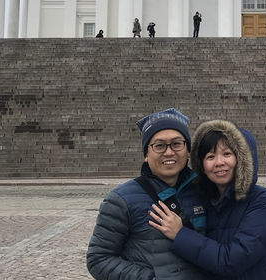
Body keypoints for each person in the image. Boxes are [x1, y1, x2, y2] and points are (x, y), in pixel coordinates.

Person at [150, 119, 266, 279]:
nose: (219, 163)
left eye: (227, 154)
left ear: (242, 159)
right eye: (210, 156)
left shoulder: (262, 200)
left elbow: (231, 262)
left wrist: (180, 234)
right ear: (201, 164)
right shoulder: (202, 199)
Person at [87, 108, 209, 280]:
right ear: (146, 154)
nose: (168, 152)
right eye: (159, 145)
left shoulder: (205, 191)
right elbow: (98, 259)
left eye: (176, 143)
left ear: (188, 151)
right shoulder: (120, 200)